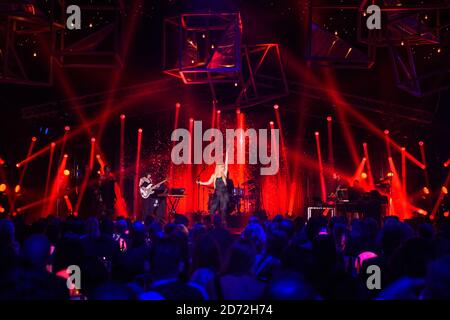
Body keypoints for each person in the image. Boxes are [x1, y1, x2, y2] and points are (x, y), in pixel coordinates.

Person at [197, 151, 230, 220]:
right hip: (216, 193)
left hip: (224, 193)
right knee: (212, 209)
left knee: (223, 209)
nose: (223, 167)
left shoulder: (224, 174)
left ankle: (223, 223)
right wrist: (200, 183)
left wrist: (227, 153)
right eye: (222, 166)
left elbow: (227, 163)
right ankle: (212, 222)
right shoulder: (214, 175)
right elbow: (208, 182)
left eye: (223, 166)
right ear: (218, 168)